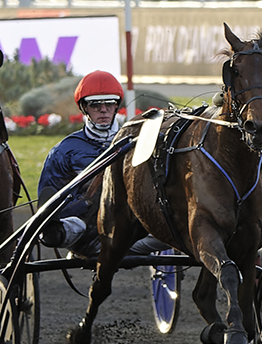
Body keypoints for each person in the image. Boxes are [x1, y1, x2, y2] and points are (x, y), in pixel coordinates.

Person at [38, 70, 169, 256]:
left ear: (116, 106)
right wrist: (86, 205)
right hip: (87, 230)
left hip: (132, 227)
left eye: (109, 103)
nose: (103, 109)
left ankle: (117, 248)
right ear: (84, 108)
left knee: (171, 232)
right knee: (60, 230)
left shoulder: (138, 140)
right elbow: (50, 199)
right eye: (95, 105)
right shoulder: (64, 151)